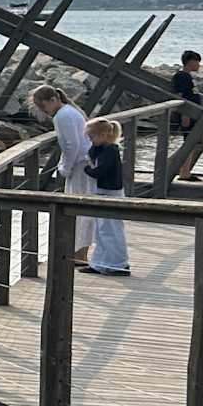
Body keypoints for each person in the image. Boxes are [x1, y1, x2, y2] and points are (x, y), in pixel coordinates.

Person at [32, 84, 93, 253]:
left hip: (81, 166)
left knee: (78, 209)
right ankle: (81, 253)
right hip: (86, 162)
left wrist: (65, 168)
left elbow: (71, 145)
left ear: (53, 100)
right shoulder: (70, 111)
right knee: (84, 210)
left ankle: (79, 254)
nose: (44, 111)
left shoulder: (62, 116)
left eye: (43, 106)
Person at [79, 117, 131, 275]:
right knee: (100, 231)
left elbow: (99, 172)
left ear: (102, 135)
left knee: (112, 231)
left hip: (110, 194)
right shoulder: (101, 149)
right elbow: (91, 154)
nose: (90, 141)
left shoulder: (111, 151)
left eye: (91, 137)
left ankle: (119, 264)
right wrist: (92, 150)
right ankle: (100, 263)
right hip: (101, 192)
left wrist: (87, 169)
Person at [171, 49, 203, 181]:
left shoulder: (188, 76)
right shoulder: (181, 77)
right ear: (190, 62)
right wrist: (185, 114)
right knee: (189, 141)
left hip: (193, 113)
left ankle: (185, 171)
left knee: (191, 142)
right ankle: (183, 171)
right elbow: (180, 96)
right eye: (197, 62)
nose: (199, 65)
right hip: (188, 114)